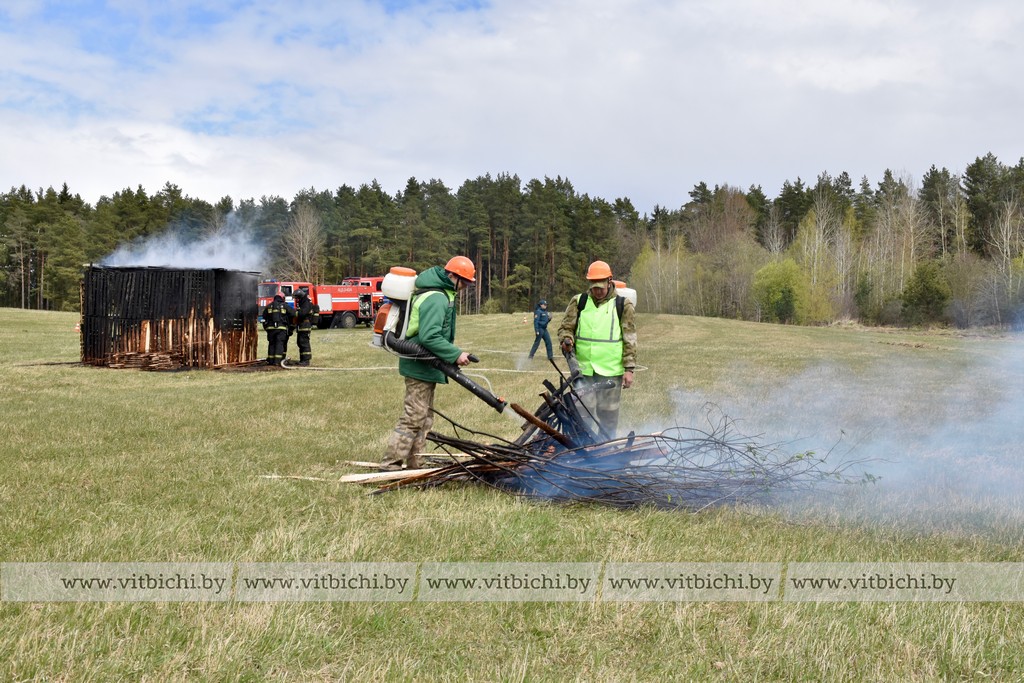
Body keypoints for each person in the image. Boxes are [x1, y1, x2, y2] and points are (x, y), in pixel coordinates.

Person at [381, 255, 476, 469]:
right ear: (453, 277)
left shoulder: (440, 293)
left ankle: (416, 462)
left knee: (424, 417)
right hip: (419, 364)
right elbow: (429, 337)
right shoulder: (437, 298)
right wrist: (455, 354)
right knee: (414, 416)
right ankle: (390, 463)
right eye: (465, 282)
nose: (466, 287)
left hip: (426, 363)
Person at [557, 260, 637, 438]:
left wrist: (629, 369)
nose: (598, 291)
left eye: (601, 287)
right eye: (594, 287)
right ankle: (582, 446)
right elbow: (565, 328)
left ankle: (606, 449)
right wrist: (567, 339)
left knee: (608, 416)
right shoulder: (579, 302)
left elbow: (630, 338)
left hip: (611, 371)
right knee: (581, 414)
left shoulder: (623, 305)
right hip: (583, 371)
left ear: (609, 281)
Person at [261, 293, 291, 366]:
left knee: (271, 344)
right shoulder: (285, 305)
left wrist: (266, 327)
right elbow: (293, 314)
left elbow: (264, 317)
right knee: (279, 344)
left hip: (270, 329)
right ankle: (277, 361)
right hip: (281, 329)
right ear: (282, 298)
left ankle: (271, 361)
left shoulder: (268, 306)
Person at [292, 287, 317, 366]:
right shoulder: (303, 303)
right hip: (302, 326)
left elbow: (302, 313)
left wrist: (294, 312)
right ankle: (302, 359)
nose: (296, 300)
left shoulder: (306, 303)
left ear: (300, 297)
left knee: (304, 342)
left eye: (297, 298)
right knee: (300, 342)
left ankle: (306, 360)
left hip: (305, 326)